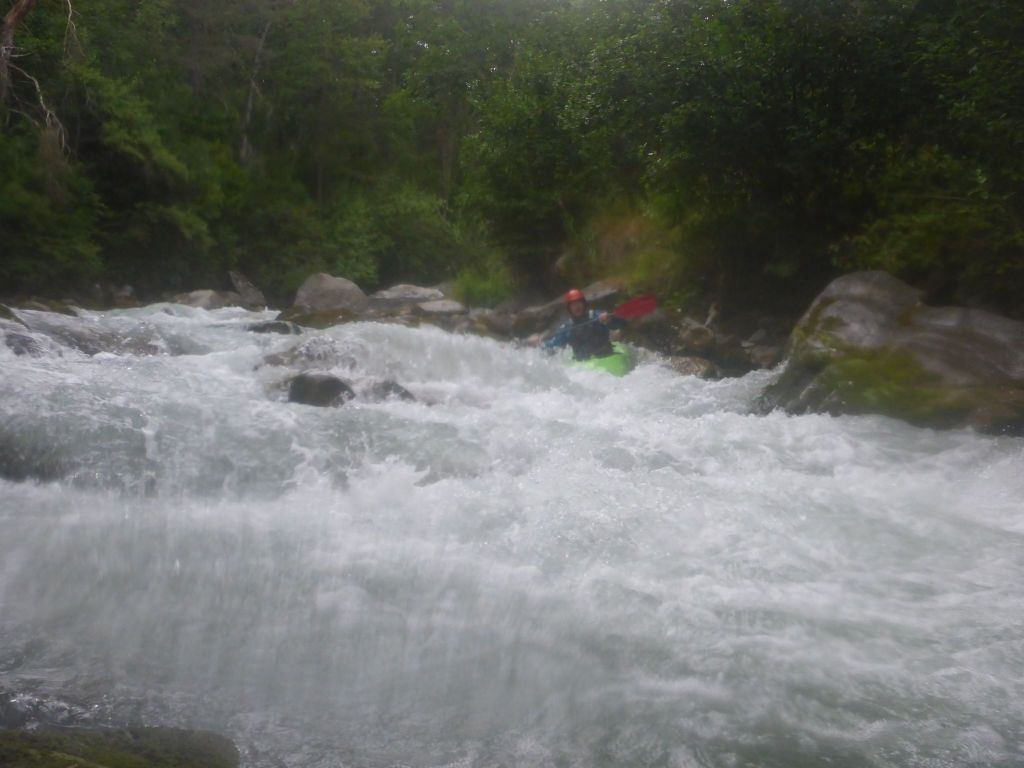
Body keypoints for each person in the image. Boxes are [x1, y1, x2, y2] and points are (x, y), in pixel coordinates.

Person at [529, 288, 626, 360]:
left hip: (606, 356)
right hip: (584, 364)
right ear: (569, 308)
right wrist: (539, 344)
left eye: (579, 303)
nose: (577, 306)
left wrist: (609, 320)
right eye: (573, 304)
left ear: (584, 303)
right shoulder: (567, 327)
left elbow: (620, 324)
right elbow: (553, 344)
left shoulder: (597, 315)